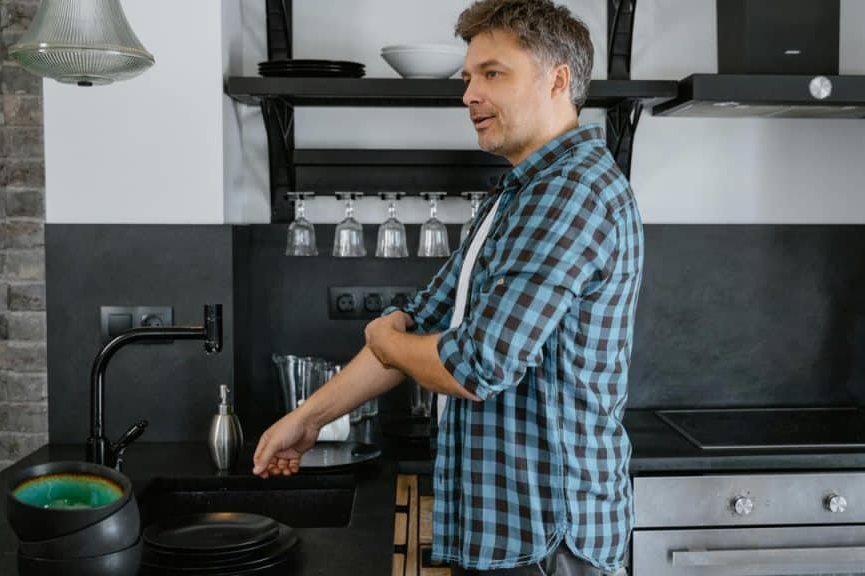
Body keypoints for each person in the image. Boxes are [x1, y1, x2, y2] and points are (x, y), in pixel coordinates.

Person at [252, 1, 644, 574]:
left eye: (492, 73)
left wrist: (389, 342)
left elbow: (475, 365)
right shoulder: (517, 196)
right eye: (468, 78)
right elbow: (421, 318)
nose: (468, 96)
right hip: (505, 534)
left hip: (546, 541)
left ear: (558, 80)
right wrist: (310, 417)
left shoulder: (571, 193)